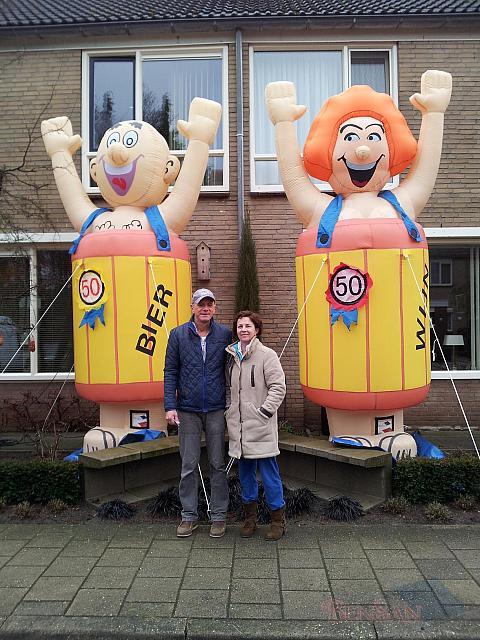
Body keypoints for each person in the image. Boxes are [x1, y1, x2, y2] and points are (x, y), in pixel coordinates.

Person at [164, 288, 231, 538]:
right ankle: (189, 516)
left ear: (214, 308)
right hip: (188, 411)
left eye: (210, 304)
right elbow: (170, 371)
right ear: (192, 307)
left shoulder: (224, 334)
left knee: (217, 463)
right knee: (189, 464)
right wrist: (170, 405)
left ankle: (219, 517)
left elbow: (234, 366)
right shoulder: (178, 335)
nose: (205, 308)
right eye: (201, 304)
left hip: (216, 409)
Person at [225, 310, 287, 541]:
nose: (243, 330)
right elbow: (230, 392)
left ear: (256, 330)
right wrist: (229, 412)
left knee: (270, 475)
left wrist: (263, 412)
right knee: (246, 477)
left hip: (260, 427)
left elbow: (278, 388)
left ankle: (277, 522)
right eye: (240, 326)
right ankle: (249, 520)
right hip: (239, 430)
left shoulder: (267, 355)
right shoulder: (231, 356)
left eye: (248, 326)